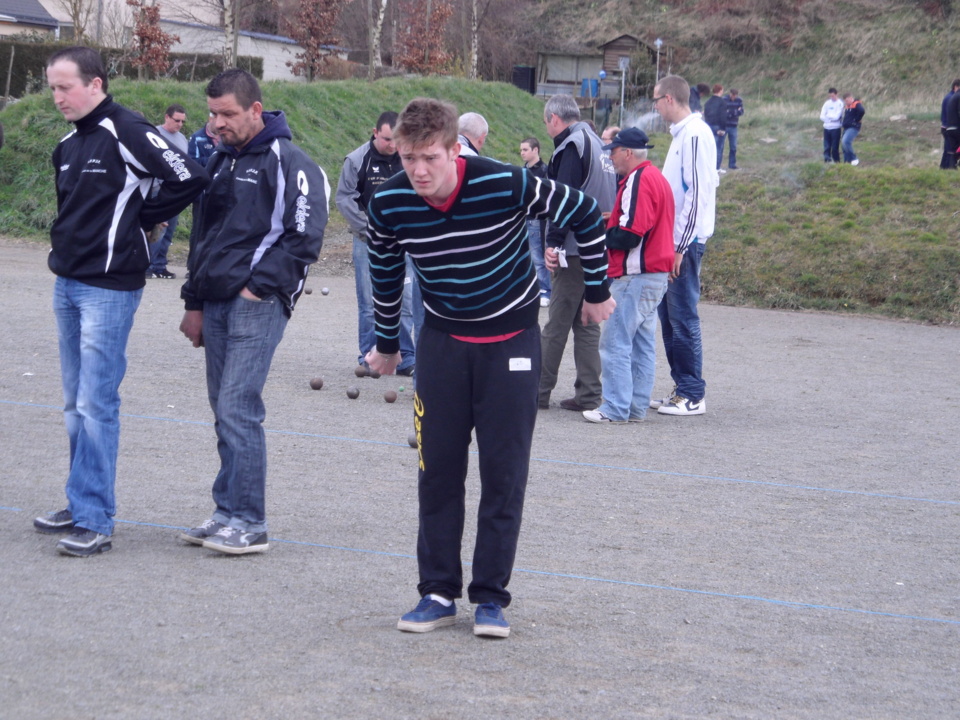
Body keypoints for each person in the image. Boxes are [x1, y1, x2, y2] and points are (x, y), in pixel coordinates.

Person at [364, 97, 614, 639]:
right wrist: (386, 343)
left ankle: (491, 598)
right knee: (437, 472)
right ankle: (436, 592)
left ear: (455, 150)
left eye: (430, 157)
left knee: (504, 473)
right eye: (408, 158)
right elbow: (384, 268)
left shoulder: (504, 182)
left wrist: (597, 289)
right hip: (442, 344)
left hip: (510, 343)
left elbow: (585, 210)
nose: (419, 171)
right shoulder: (389, 201)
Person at [35, 46, 207, 556]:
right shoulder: (67, 144)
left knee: (96, 402)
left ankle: (94, 518)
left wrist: (142, 215)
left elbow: (192, 176)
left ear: (96, 84)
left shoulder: (127, 128)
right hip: (67, 283)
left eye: (65, 86)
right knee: (74, 403)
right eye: (52, 87)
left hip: (109, 288)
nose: (57, 97)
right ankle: (80, 500)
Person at [178, 69, 328, 555]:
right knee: (223, 410)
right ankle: (225, 512)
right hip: (214, 301)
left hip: (256, 305)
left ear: (256, 110)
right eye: (212, 113)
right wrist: (194, 301)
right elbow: (202, 237)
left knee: (238, 407)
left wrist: (255, 290)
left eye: (227, 114)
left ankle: (250, 522)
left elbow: (305, 238)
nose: (216, 123)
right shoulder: (219, 158)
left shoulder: (291, 162)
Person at [583, 128, 674, 424]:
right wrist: (613, 221)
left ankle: (615, 407)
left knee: (615, 343)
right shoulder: (656, 176)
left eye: (614, 151)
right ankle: (634, 408)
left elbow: (630, 235)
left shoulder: (638, 179)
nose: (611, 157)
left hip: (635, 274)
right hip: (654, 274)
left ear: (628, 153)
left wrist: (601, 234)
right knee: (641, 344)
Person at [538, 94, 618, 412]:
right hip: (597, 248)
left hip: (573, 249)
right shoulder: (597, 144)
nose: (547, 129)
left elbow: (563, 198)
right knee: (587, 323)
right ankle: (588, 394)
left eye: (547, 123)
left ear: (555, 119)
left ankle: (536, 392)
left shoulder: (572, 146)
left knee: (556, 325)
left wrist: (553, 242)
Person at [650, 75, 719, 417]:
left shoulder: (694, 134)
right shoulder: (683, 135)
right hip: (674, 241)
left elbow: (698, 192)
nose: (654, 107)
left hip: (684, 243)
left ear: (669, 99)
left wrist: (680, 244)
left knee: (682, 317)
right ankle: (681, 388)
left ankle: (693, 394)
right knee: (669, 318)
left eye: (656, 100)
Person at [335, 111, 418, 376]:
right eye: (386, 139)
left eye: (397, 139)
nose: (392, 145)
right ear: (374, 133)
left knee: (405, 301)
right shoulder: (357, 160)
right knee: (370, 302)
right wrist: (371, 229)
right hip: (367, 242)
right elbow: (344, 198)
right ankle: (370, 356)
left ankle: (405, 357)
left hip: (403, 241)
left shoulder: (409, 157)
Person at [147, 104, 190, 279]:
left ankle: (160, 265)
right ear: (167, 117)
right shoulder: (154, 134)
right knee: (157, 228)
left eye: (182, 122)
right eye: (176, 120)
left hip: (176, 191)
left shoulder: (182, 139)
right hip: (158, 189)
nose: (179, 124)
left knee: (170, 229)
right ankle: (147, 265)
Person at [520, 136, 551, 306]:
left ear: (535, 150)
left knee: (538, 256)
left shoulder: (545, 171)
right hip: (523, 218)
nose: (522, 153)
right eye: (521, 150)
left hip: (537, 220)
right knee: (527, 256)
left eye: (525, 149)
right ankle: (533, 289)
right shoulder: (523, 171)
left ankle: (545, 290)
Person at [702, 84, 727, 173]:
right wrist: (723, 128)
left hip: (708, 126)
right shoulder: (722, 102)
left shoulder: (708, 102)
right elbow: (723, 116)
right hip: (718, 126)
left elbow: (706, 115)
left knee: (709, 147)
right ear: (720, 91)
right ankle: (716, 168)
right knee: (718, 148)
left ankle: (708, 167)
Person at [819, 88, 843, 163]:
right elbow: (822, 116)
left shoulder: (840, 103)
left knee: (835, 147)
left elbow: (837, 117)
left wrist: (828, 117)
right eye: (830, 96)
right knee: (826, 147)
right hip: (826, 128)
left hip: (835, 128)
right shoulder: (827, 103)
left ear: (836, 94)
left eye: (833, 96)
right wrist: (829, 118)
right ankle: (827, 161)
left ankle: (837, 162)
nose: (831, 97)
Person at [941, 79, 960, 169]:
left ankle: (946, 169)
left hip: (948, 127)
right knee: (950, 151)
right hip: (952, 127)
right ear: (956, 86)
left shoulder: (951, 97)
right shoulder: (953, 97)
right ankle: (949, 168)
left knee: (950, 151)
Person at [841, 92, 865, 166]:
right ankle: (847, 162)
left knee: (846, 141)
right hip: (846, 127)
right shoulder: (847, 106)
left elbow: (862, 111)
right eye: (845, 101)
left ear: (851, 98)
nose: (846, 102)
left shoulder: (856, 104)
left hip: (853, 127)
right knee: (843, 145)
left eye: (847, 100)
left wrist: (856, 120)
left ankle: (854, 158)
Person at [722, 88, 744, 170]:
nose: (734, 97)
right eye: (732, 95)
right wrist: (735, 112)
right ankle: (717, 165)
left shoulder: (739, 100)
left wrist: (730, 112)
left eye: (735, 95)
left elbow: (741, 112)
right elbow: (723, 112)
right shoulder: (724, 100)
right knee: (720, 146)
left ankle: (732, 164)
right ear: (730, 93)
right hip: (724, 125)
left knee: (733, 146)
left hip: (733, 126)